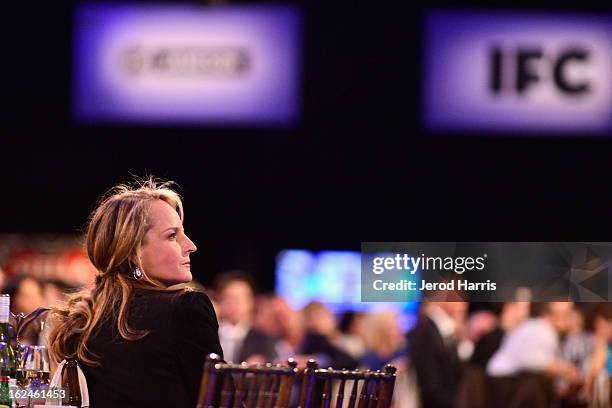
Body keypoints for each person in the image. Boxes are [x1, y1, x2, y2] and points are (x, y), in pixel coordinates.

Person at [48, 179, 223, 408]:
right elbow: (220, 400)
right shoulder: (186, 309)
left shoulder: (80, 320)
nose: (190, 245)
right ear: (133, 252)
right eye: (172, 236)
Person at [216, 272, 277, 364]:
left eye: (238, 299)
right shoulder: (210, 335)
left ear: (250, 302)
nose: (233, 304)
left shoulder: (264, 340)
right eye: (228, 298)